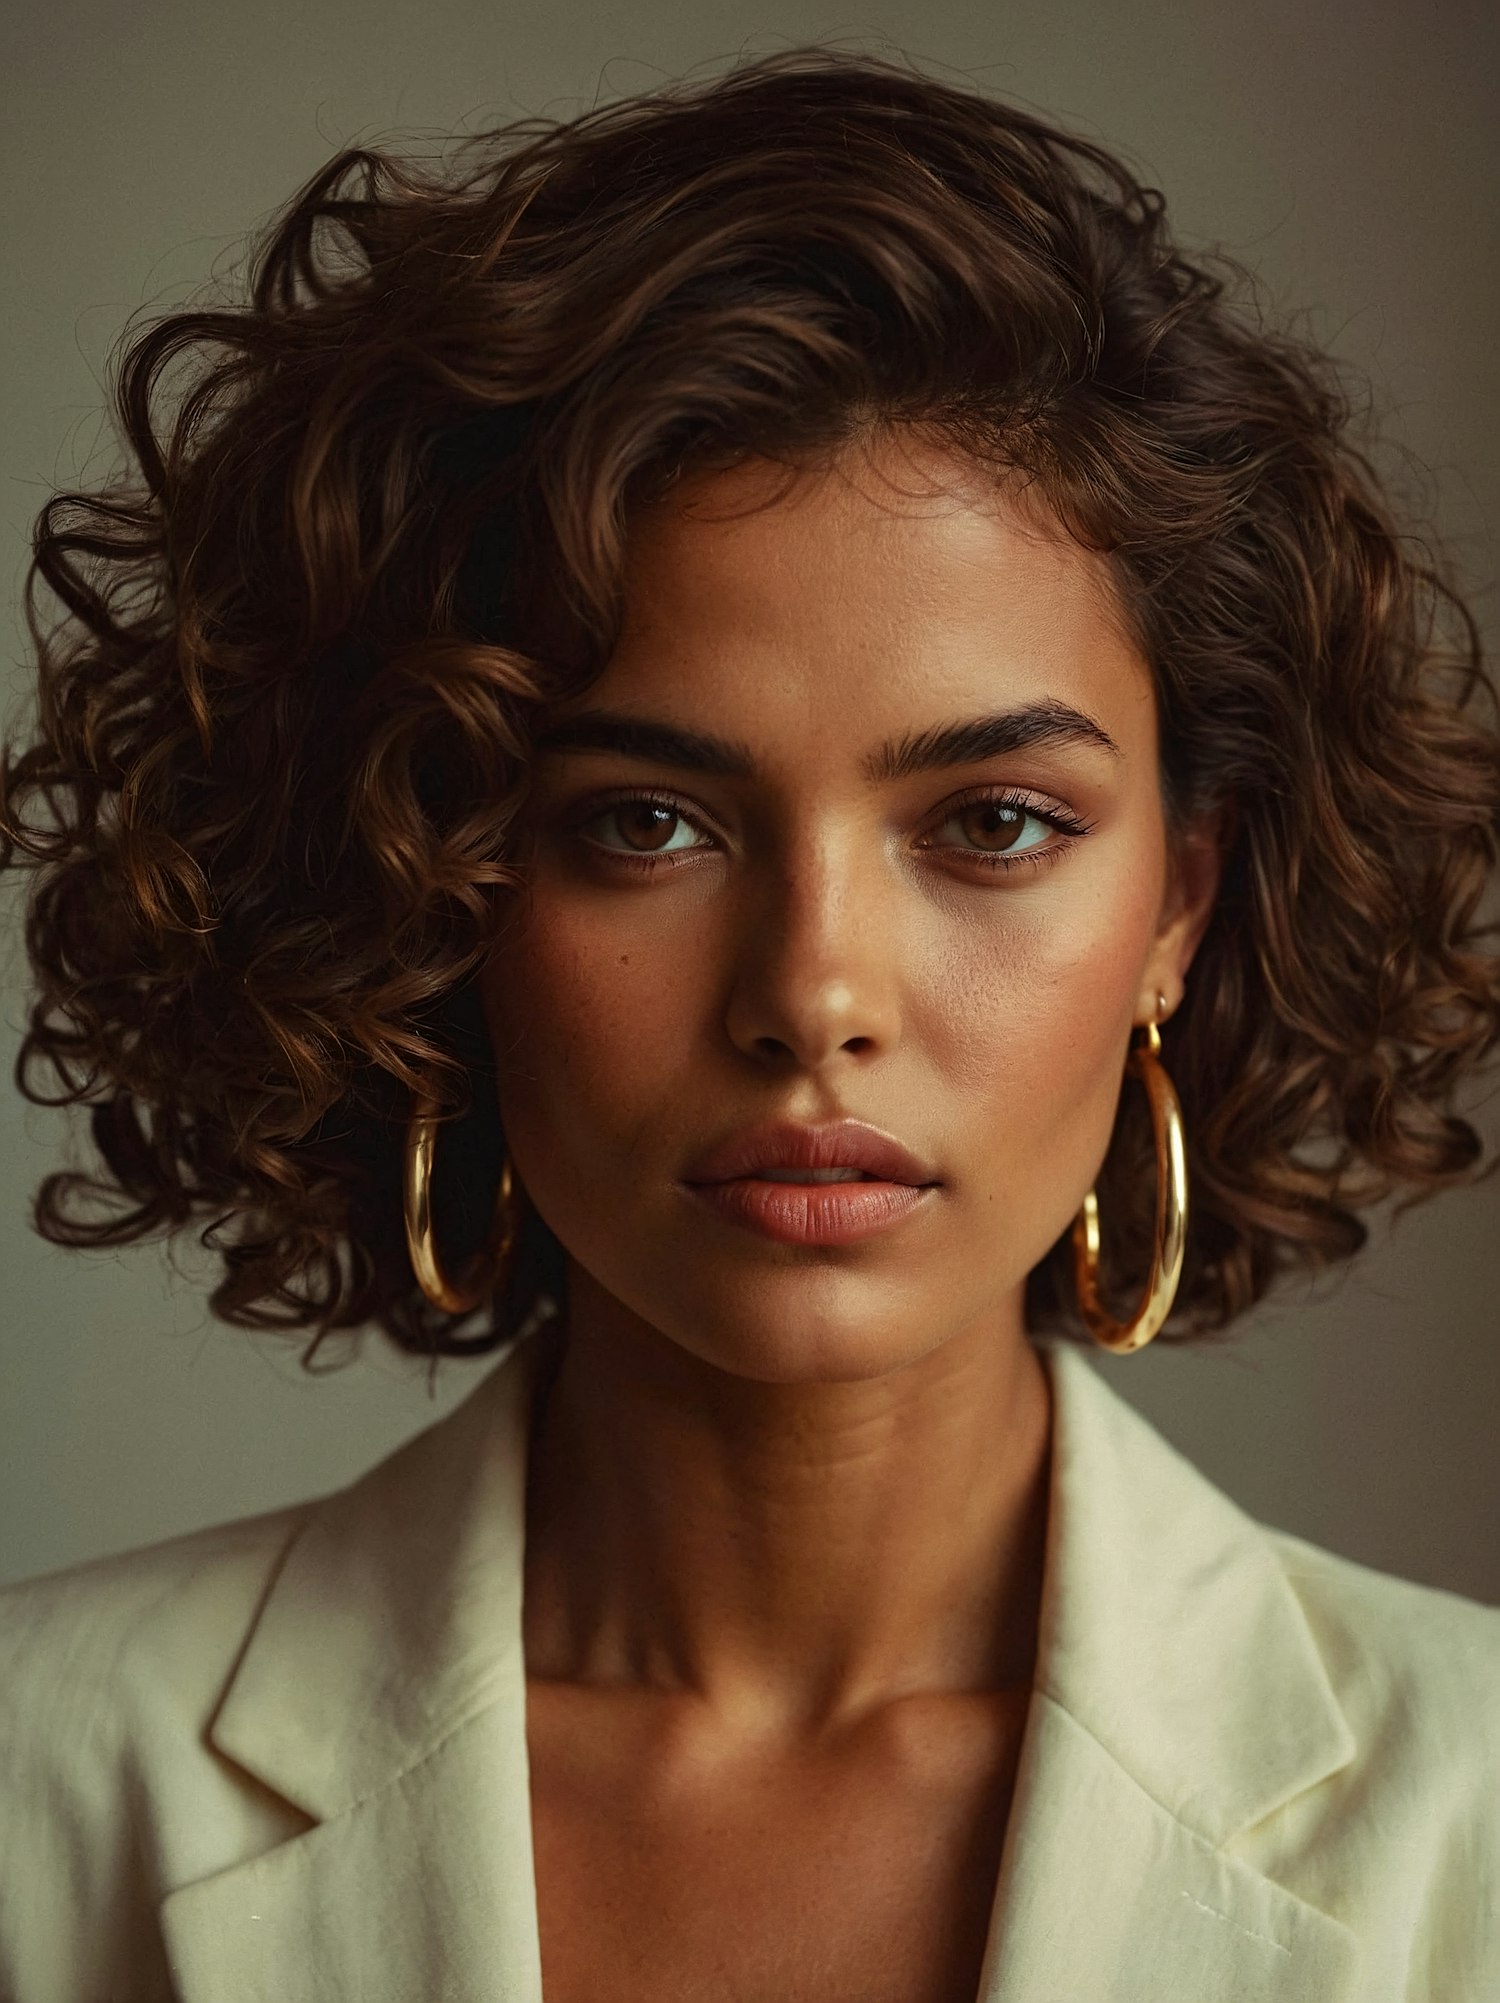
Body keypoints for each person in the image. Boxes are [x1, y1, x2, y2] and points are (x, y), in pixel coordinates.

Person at [0, 43, 1497, 2003]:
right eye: (646, 824)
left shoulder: (1468, 1808)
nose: (815, 995)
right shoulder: (39, 1785)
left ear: (1179, 909)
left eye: (993, 825)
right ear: (432, 881)